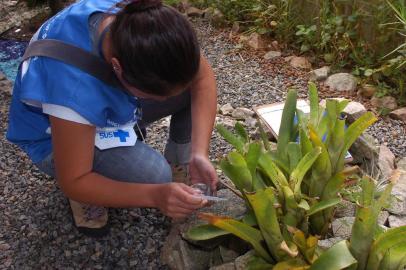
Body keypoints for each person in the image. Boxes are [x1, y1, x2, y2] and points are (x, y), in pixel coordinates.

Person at [6, 0, 218, 237]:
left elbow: (202, 78)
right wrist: (155, 195)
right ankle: (86, 193)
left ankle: (180, 164)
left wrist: (198, 152)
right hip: (54, 136)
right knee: (153, 176)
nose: (164, 101)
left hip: (105, 100)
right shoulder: (74, 89)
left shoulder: (141, 21)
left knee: (185, 87)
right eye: (154, 95)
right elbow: (74, 179)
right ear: (117, 67)